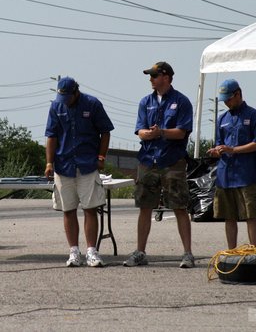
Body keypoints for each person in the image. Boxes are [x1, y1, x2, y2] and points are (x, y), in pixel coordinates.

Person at [124, 61, 195, 268]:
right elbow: (140, 130)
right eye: (150, 76)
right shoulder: (145, 102)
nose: (151, 79)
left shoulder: (182, 102)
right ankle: (140, 252)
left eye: (154, 76)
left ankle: (188, 254)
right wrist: (147, 134)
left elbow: (182, 132)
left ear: (166, 77)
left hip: (172, 161)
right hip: (147, 160)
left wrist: (160, 132)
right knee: (145, 206)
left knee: (179, 206)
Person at [44, 77, 114, 268]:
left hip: (87, 164)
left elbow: (105, 131)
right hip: (63, 164)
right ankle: (74, 251)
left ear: (76, 92)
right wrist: (49, 162)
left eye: (68, 97)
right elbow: (51, 135)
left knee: (90, 209)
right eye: (62, 98)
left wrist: (101, 157)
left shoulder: (92, 104)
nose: (65, 102)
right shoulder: (56, 107)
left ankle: (92, 251)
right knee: (68, 209)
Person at [206, 79, 256, 249]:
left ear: (238, 94)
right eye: (224, 100)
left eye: (229, 99)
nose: (226, 103)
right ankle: (232, 251)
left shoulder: (254, 116)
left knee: (250, 216)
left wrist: (233, 149)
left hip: (246, 175)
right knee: (229, 217)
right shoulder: (222, 119)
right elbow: (220, 144)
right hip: (225, 176)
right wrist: (217, 151)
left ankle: (255, 251)